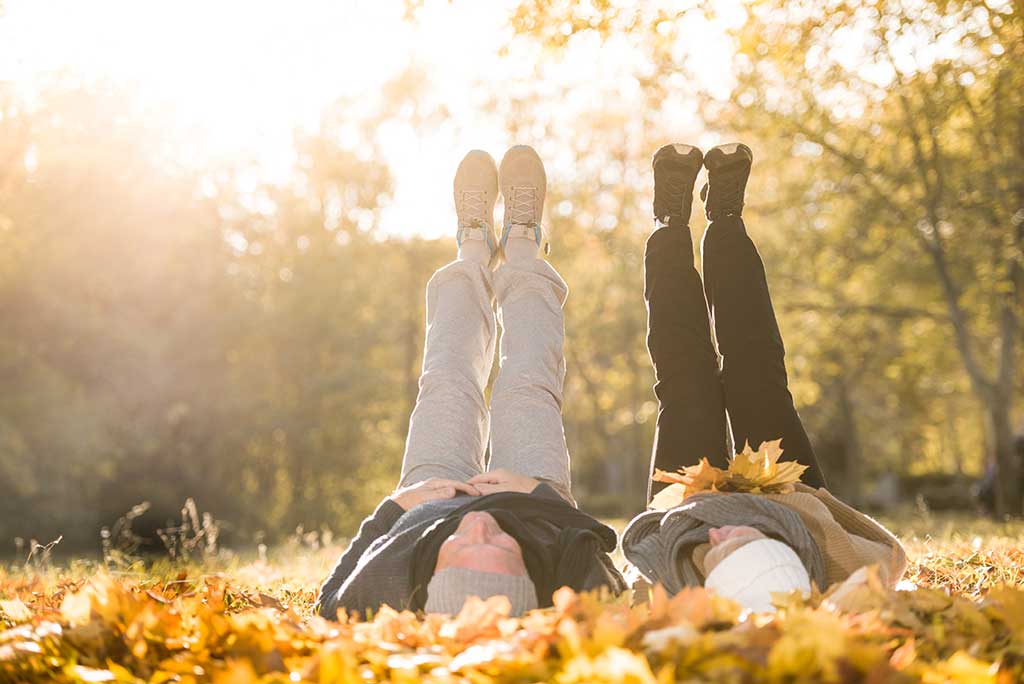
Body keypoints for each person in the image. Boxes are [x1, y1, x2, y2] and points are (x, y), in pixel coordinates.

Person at [316, 145, 625, 621]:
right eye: (502, 549)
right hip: (536, 510)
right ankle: (523, 243)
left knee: (446, 378)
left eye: (462, 547)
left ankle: (473, 246)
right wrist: (538, 494)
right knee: (527, 383)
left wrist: (395, 507)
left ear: (427, 581)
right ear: (534, 585)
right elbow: (602, 543)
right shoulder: (576, 584)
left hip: (428, 499)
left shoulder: (381, 590)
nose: (479, 524)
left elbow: (329, 598)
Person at [623, 143, 906, 612]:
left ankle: (670, 224)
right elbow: (885, 554)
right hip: (794, 507)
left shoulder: (660, 582)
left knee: (686, 389)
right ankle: (726, 221)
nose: (726, 533)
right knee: (757, 379)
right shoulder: (846, 576)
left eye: (721, 550)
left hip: (682, 513)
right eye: (747, 545)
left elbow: (632, 582)